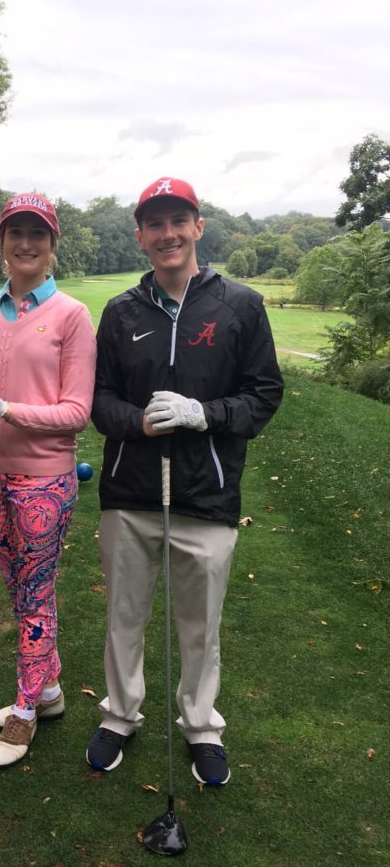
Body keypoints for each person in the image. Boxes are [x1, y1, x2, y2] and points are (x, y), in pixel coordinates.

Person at [86, 176, 283, 786]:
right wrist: (140, 424)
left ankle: (201, 725)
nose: (167, 233)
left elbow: (263, 395)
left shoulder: (240, 305)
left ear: (198, 226)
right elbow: (100, 401)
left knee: (200, 625)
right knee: (124, 617)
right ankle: (120, 714)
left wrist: (204, 414)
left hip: (207, 495)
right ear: (141, 235)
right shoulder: (120, 311)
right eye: (155, 223)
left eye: (178, 221)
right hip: (130, 493)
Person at [0, 193, 96, 768]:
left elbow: (76, 412)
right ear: (2, 242)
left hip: (44, 480)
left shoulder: (72, 316)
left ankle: (26, 710)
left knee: (36, 594)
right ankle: (50, 690)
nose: (26, 243)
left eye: (38, 233)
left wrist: (8, 410)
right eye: (16, 233)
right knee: (19, 590)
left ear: (52, 244)